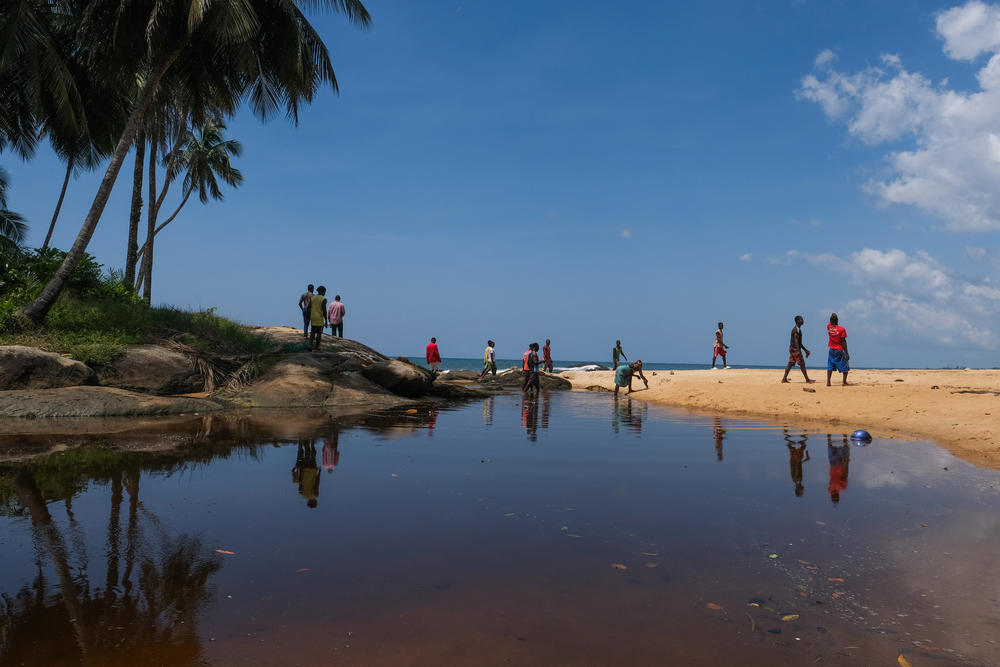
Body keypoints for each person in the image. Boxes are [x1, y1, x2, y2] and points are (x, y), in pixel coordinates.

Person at [781, 315, 815, 383]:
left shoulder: (798, 329)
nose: (803, 321)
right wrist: (798, 351)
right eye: (801, 319)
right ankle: (807, 379)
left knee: (790, 364)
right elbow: (796, 341)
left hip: (793, 348)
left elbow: (800, 343)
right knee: (802, 364)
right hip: (795, 349)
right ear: (797, 321)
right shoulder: (796, 330)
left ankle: (784, 379)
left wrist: (805, 350)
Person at [826, 313, 850, 386]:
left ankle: (828, 382)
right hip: (839, 350)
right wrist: (846, 353)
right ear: (837, 320)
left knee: (830, 365)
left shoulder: (829, 327)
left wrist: (833, 316)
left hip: (831, 350)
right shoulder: (841, 329)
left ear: (830, 320)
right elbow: (843, 342)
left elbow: (831, 322)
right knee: (845, 366)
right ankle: (844, 382)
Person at [785, 429, 810, 497]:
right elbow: (797, 467)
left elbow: (797, 467)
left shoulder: (798, 479)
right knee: (792, 445)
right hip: (794, 460)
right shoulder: (795, 480)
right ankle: (786, 433)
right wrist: (805, 459)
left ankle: (804, 431)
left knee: (801, 445)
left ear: (798, 489)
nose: (803, 489)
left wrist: (806, 458)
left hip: (796, 459)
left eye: (801, 491)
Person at [827, 434, 850, 505]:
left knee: (831, 447)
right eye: (835, 497)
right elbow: (845, 475)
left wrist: (846, 463)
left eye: (833, 497)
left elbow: (845, 475)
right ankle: (844, 435)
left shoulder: (830, 489)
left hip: (834, 465)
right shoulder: (841, 487)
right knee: (843, 448)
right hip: (839, 465)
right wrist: (846, 463)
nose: (834, 496)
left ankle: (829, 434)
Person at [308, 286, 328, 351]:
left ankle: (310, 345)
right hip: (319, 317)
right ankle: (316, 347)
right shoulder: (323, 299)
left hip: (313, 317)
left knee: (313, 332)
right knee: (319, 333)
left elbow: (309, 307)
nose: (325, 293)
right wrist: (326, 320)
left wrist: (309, 316)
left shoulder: (312, 298)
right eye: (325, 291)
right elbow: (324, 310)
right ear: (323, 291)